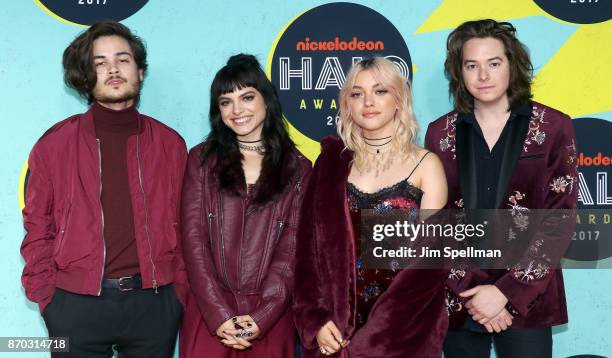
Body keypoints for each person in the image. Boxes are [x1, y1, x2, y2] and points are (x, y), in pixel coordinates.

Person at [20, 21, 187, 357]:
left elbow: (187, 226)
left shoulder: (170, 144)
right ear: (85, 75)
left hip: (154, 304)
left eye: (122, 59)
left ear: (140, 71)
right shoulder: (53, 146)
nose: (112, 69)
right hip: (74, 306)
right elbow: (38, 227)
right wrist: (49, 300)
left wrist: (179, 292)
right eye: (99, 62)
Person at [425, 19, 578, 358]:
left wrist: (505, 292)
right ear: (459, 72)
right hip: (461, 299)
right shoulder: (440, 133)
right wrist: (473, 290)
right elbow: (436, 221)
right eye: (472, 65)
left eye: (494, 63)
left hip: (530, 300)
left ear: (512, 65)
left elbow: (559, 218)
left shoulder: (554, 127)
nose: (483, 75)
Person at [293, 57, 449, 358]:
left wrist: (374, 341)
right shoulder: (329, 163)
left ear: (398, 99)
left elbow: (429, 268)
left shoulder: (426, 165)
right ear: (346, 104)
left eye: (380, 91)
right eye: (356, 93)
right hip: (334, 337)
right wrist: (316, 320)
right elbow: (305, 255)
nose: (368, 101)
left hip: (404, 336)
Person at [179, 54, 311, 357]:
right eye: (226, 102)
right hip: (209, 313)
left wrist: (262, 316)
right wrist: (218, 314)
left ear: (266, 100)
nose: (237, 110)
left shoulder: (298, 168)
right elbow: (193, 241)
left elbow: (292, 248)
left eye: (247, 97)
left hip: (271, 317)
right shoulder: (201, 161)